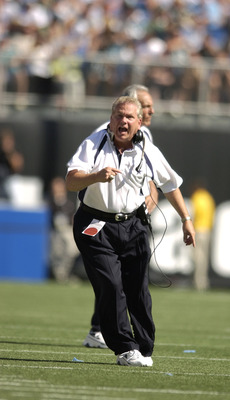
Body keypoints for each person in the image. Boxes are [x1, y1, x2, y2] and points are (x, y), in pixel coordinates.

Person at [66, 96, 195, 367]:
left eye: (129, 117)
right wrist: (96, 176)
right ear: (111, 119)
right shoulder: (94, 143)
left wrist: (186, 219)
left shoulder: (148, 148)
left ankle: (144, 346)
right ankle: (124, 348)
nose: (123, 121)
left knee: (138, 289)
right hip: (95, 224)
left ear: (139, 123)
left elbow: (170, 184)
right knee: (111, 285)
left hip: (133, 225)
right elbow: (70, 181)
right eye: (118, 116)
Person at [82, 84, 159, 349]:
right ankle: (107, 333)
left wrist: (151, 195)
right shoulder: (103, 135)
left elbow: (150, 173)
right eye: (146, 104)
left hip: (129, 218)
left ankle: (105, 330)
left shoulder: (143, 136)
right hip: (100, 216)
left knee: (126, 279)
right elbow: (81, 174)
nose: (151, 110)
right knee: (111, 279)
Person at [48, 176, 79, 282]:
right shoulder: (50, 202)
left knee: (71, 250)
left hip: (68, 230)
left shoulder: (70, 201)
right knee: (57, 252)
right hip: (55, 232)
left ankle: (66, 274)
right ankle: (59, 275)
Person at [190, 179, 215, 290]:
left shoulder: (197, 197)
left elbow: (194, 213)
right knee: (204, 258)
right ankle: (203, 282)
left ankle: (198, 283)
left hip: (199, 230)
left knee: (198, 258)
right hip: (207, 230)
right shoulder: (208, 197)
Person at [0, 128, 24, 200]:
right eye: (5, 141)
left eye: (9, 141)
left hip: (10, 187)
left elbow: (17, 167)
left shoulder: (15, 154)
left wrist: (9, 154)